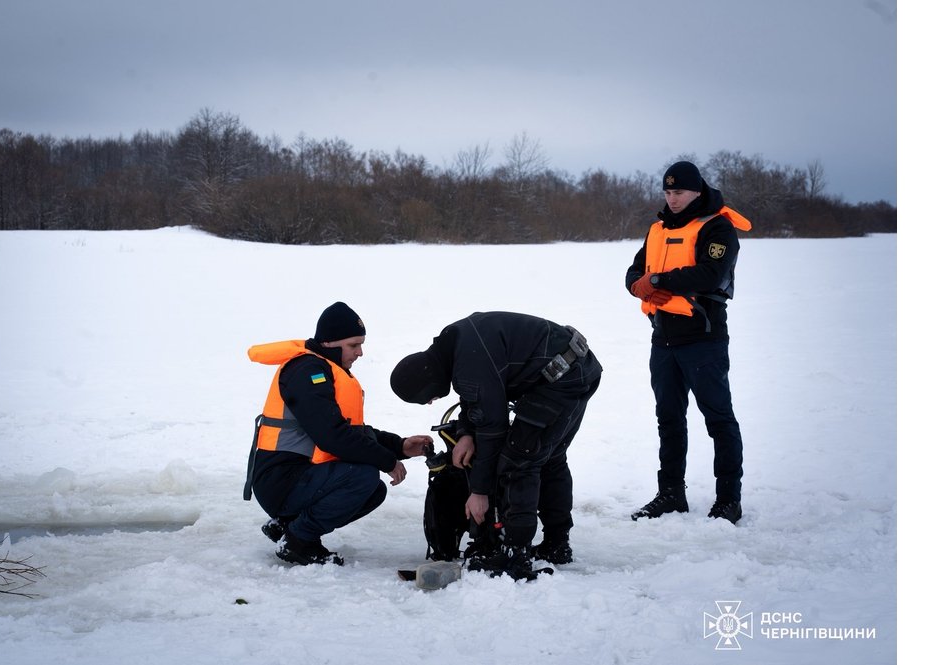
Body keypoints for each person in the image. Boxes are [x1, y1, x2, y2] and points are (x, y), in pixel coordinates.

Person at [389, 312, 602, 580]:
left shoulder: (467, 361)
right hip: (574, 366)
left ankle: (515, 553)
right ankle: (557, 544)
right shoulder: (454, 345)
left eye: (427, 398)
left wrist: (479, 491)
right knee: (550, 458)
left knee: (519, 458)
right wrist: (466, 432)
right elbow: (477, 395)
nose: (431, 402)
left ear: (428, 382)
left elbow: (493, 428)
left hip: (563, 378)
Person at [244, 302, 433, 566]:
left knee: (373, 490)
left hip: (298, 477)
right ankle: (298, 540)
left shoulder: (325, 370)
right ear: (331, 343)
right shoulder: (308, 371)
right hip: (281, 480)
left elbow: (352, 433)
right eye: (354, 345)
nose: (360, 353)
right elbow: (332, 436)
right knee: (363, 477)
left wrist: (400, 446)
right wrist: (387, 461)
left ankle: (286, 525)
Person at [625, 160, 752, 525]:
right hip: (663, 339)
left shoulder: (717, 227)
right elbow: (634, 271)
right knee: (668, 419)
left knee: (718, 418)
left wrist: (659, 280)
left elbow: (711, 274)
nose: (672, 198)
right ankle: (671, 493)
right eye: (667, 192)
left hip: (703, 338)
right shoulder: (657, 229)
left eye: (678, 192)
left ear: (696, 190)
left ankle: (729, 499)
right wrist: (639, 286)